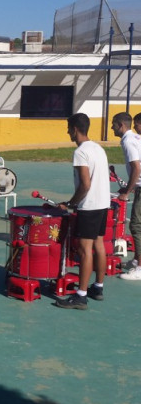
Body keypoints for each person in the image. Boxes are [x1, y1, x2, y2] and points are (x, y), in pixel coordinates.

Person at [56, 113, 110, 310]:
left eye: (69, 128)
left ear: (75, 129)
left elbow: (85, 185)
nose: (68, 132)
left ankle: (81, 295)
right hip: (103, 203)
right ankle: (98, 287)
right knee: (99, 245)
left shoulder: (80, 152)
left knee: (84, 249)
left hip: (90, 206)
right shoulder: (98, 148)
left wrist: (70, 204)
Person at [112, 112, 141, 280]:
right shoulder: (136, 138)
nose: (111, 127)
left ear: (121, 125)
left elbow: (137, 168)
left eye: (113, 124)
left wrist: (126, 192)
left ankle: (140, 269)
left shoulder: (129, 141)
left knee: (136, 226)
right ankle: (137, 260)